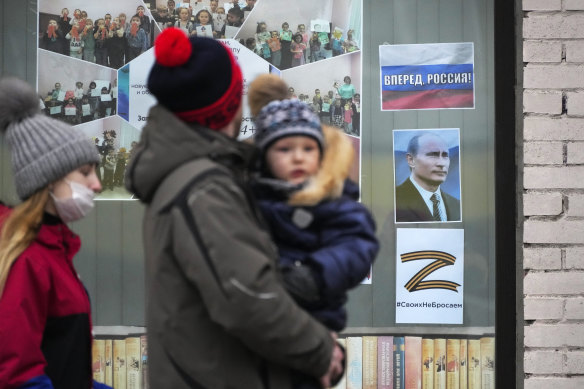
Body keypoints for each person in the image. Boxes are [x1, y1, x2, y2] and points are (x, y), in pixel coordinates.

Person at [124, 28, 344, 389]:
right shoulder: (204, 189)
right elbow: (249, 298)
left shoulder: (191, 177)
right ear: (229, 106)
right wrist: (321, 350)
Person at [248, 74, 379, 389]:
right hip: (263, 328)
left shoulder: (331, 200)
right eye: (284, 148)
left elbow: (357, 245)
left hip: (315, 319)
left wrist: (314, 275)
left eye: (308, 148)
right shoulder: (253, 196)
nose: (298, 156)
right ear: (264, 156)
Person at [0, 77, 110, 389]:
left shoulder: (54, 250)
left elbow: (65, 367)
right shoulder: (28, 259)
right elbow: (18, 375)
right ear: (48, 179)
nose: (97, 185)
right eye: (86, 173)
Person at [395, 132, 461, 222]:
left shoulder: (456, 205)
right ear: (411, 160)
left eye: (445, 156)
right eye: (433, 155)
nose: (441, 163)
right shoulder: (394, 200)